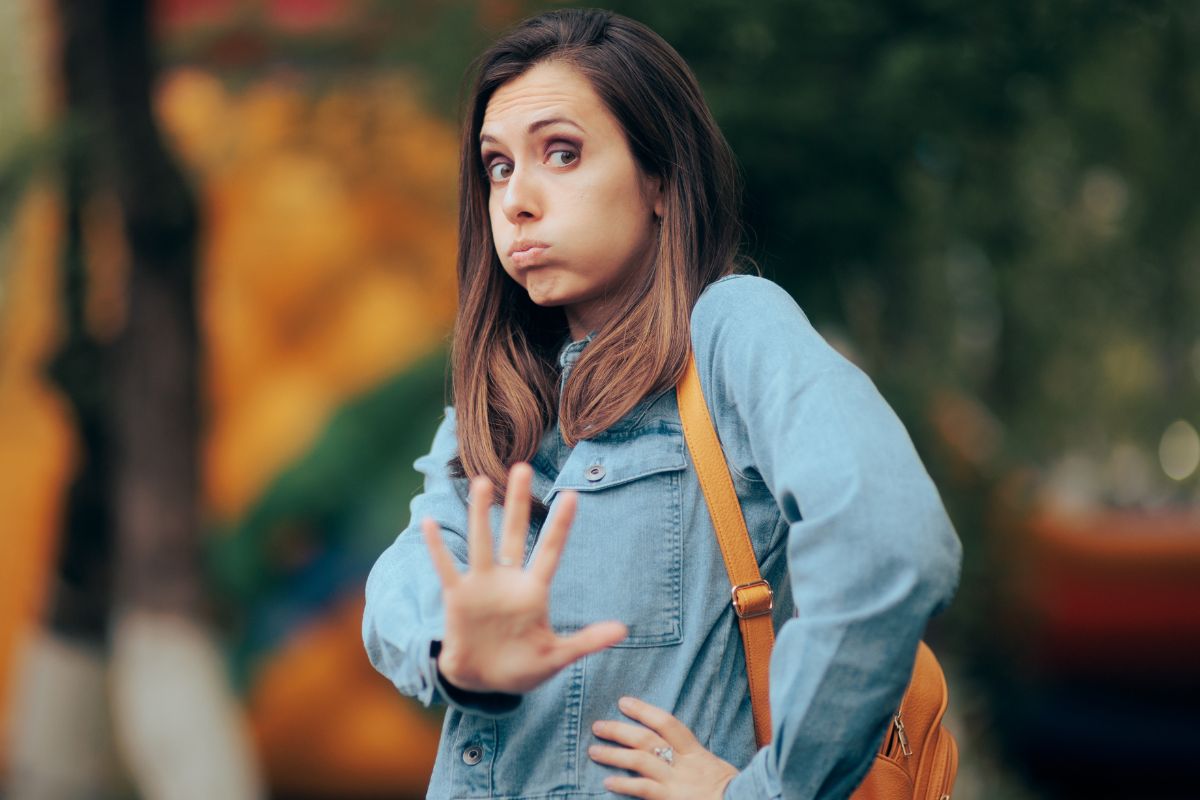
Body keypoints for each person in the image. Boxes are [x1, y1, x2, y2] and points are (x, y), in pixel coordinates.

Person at [362, 8, 962, 799]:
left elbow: (889, 540)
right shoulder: (504, 395)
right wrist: (454, 650)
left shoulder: (729, 333)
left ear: (661, 180)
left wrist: (771, 791)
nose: (516, 200)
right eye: (498, 166)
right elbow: (417, 563)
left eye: (562, 153)